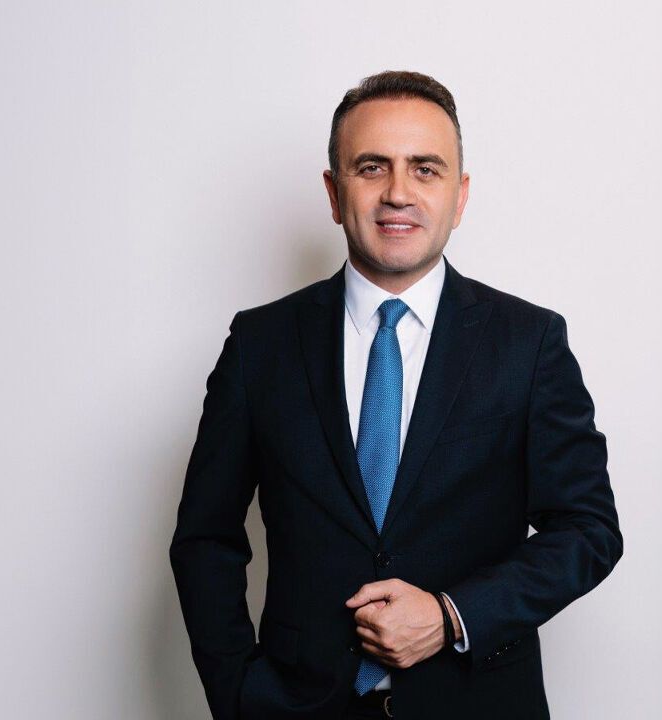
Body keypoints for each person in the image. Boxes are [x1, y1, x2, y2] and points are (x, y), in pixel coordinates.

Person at [170, 70, 622, 720]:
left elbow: (588, 529)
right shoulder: (260, 344)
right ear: (334, 192)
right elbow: (205, 538)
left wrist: (452, 614)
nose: (398, 193)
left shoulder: (530, 344)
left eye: (425, 169)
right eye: (372, 167)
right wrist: (240, 696)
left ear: (460, 197)